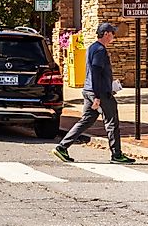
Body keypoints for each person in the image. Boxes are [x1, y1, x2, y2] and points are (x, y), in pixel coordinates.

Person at [53, 22, 135, 165]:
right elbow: (96, 72)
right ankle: (117, 154)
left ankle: (62, 147)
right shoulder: (99, 50)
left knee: (87, 120)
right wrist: (97, 96)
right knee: (112, 121)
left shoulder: (92, 48)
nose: (113, 37)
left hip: (90, 90)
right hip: (100, 93)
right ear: (106, 34)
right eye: (112, 34)